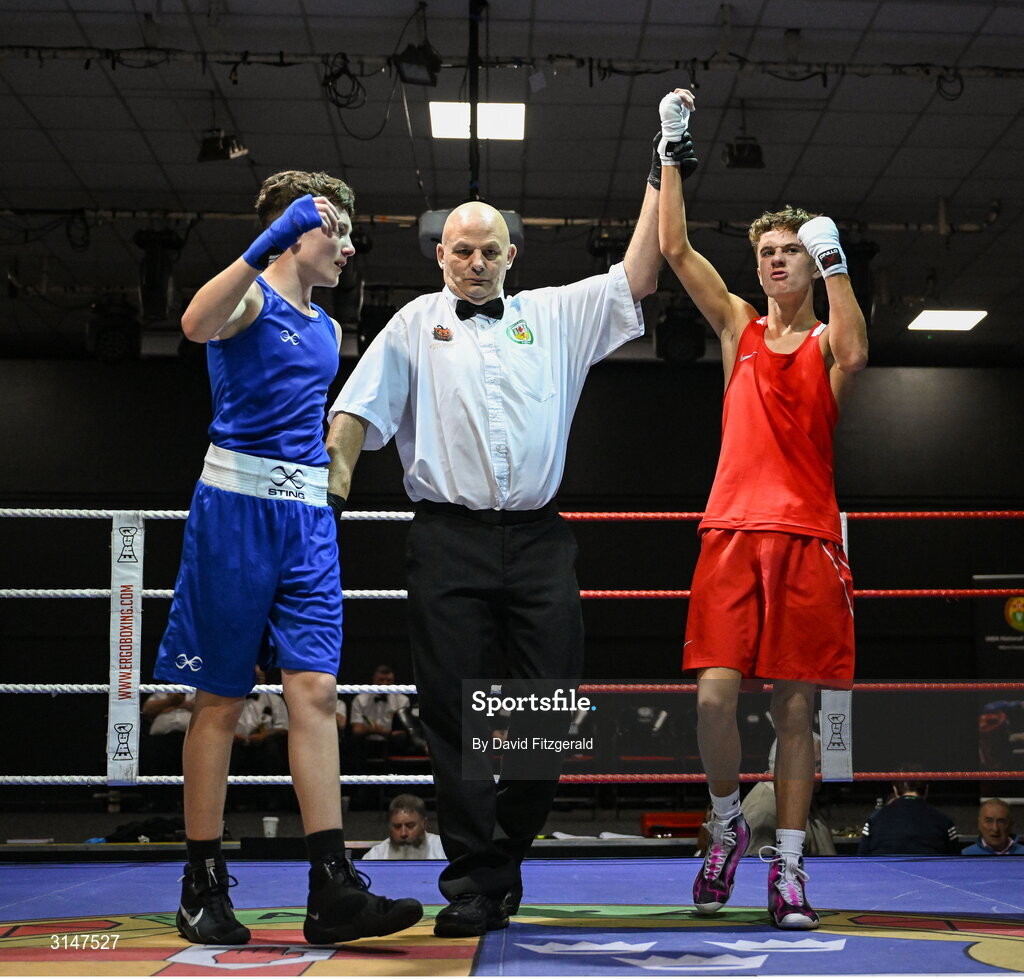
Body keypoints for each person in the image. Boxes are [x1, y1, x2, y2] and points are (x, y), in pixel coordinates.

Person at [325, 175, 663, 936]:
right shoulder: (415, 323)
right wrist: (326, 507)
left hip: (540, 538)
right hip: (447, 539)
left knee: (547, 712)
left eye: (489, 251)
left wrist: (660, 168)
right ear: (440, 254)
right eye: (462, 251)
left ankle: (501, 855)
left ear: (512, 255)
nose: (475, 263)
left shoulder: (553, 313)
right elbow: (353, 411)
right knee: (456, 716)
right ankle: (474, 883)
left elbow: (640, 274)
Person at [152, 169, 422, 946]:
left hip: (305, 523)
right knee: (222, 698)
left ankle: (331, 884)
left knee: (315, 690)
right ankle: (201, 882)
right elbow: (196, 322)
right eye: (330, 228)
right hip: (234, 516)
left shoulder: (327, 329)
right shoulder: (247, 301)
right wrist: (267, 238)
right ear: (290, 230)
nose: (344, 244)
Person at [657, 88, 868, 929]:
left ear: (812, 264)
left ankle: (788, 869)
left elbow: (856, 348)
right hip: (732, 532)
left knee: (793, 710)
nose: (779, 260)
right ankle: (721, 828)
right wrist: (670, 150)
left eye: (791, 251)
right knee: (713, 696)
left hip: (807, 536)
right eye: (769, 251)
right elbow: (672, 247)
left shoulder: (825, 342)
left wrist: (838, 257)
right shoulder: (738, 325)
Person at [742, 737, 836, 857]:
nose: (824, 771)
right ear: (793, 765)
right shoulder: (763, 811)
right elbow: (755, 871)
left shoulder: (796, 797)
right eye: (819, 764)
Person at [857, 777, 960, 855]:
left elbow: (861, 857)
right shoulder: (944, 820)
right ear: (926, 789)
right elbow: (956, 859)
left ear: (895, 790)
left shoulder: (875, 819)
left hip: (884, 880)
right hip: (931, 879)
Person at [364, 794, 447, 860]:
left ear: (424, 824)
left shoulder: (442, 850)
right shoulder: (376, 855)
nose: (403, 833)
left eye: (410, 826)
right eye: (397, 826)